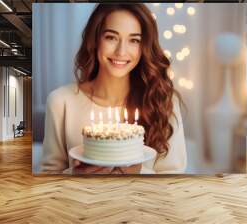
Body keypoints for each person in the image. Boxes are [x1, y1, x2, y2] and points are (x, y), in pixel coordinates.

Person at [40, 3, 187, 174]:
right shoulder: (60, 101)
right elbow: (48, 175)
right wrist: (76, 175)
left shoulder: (163, 100)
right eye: (111, 37)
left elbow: (173, 179)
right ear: (94, 40)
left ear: (144, 46)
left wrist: (138, 173)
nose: (121, 51)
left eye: (134, 40)